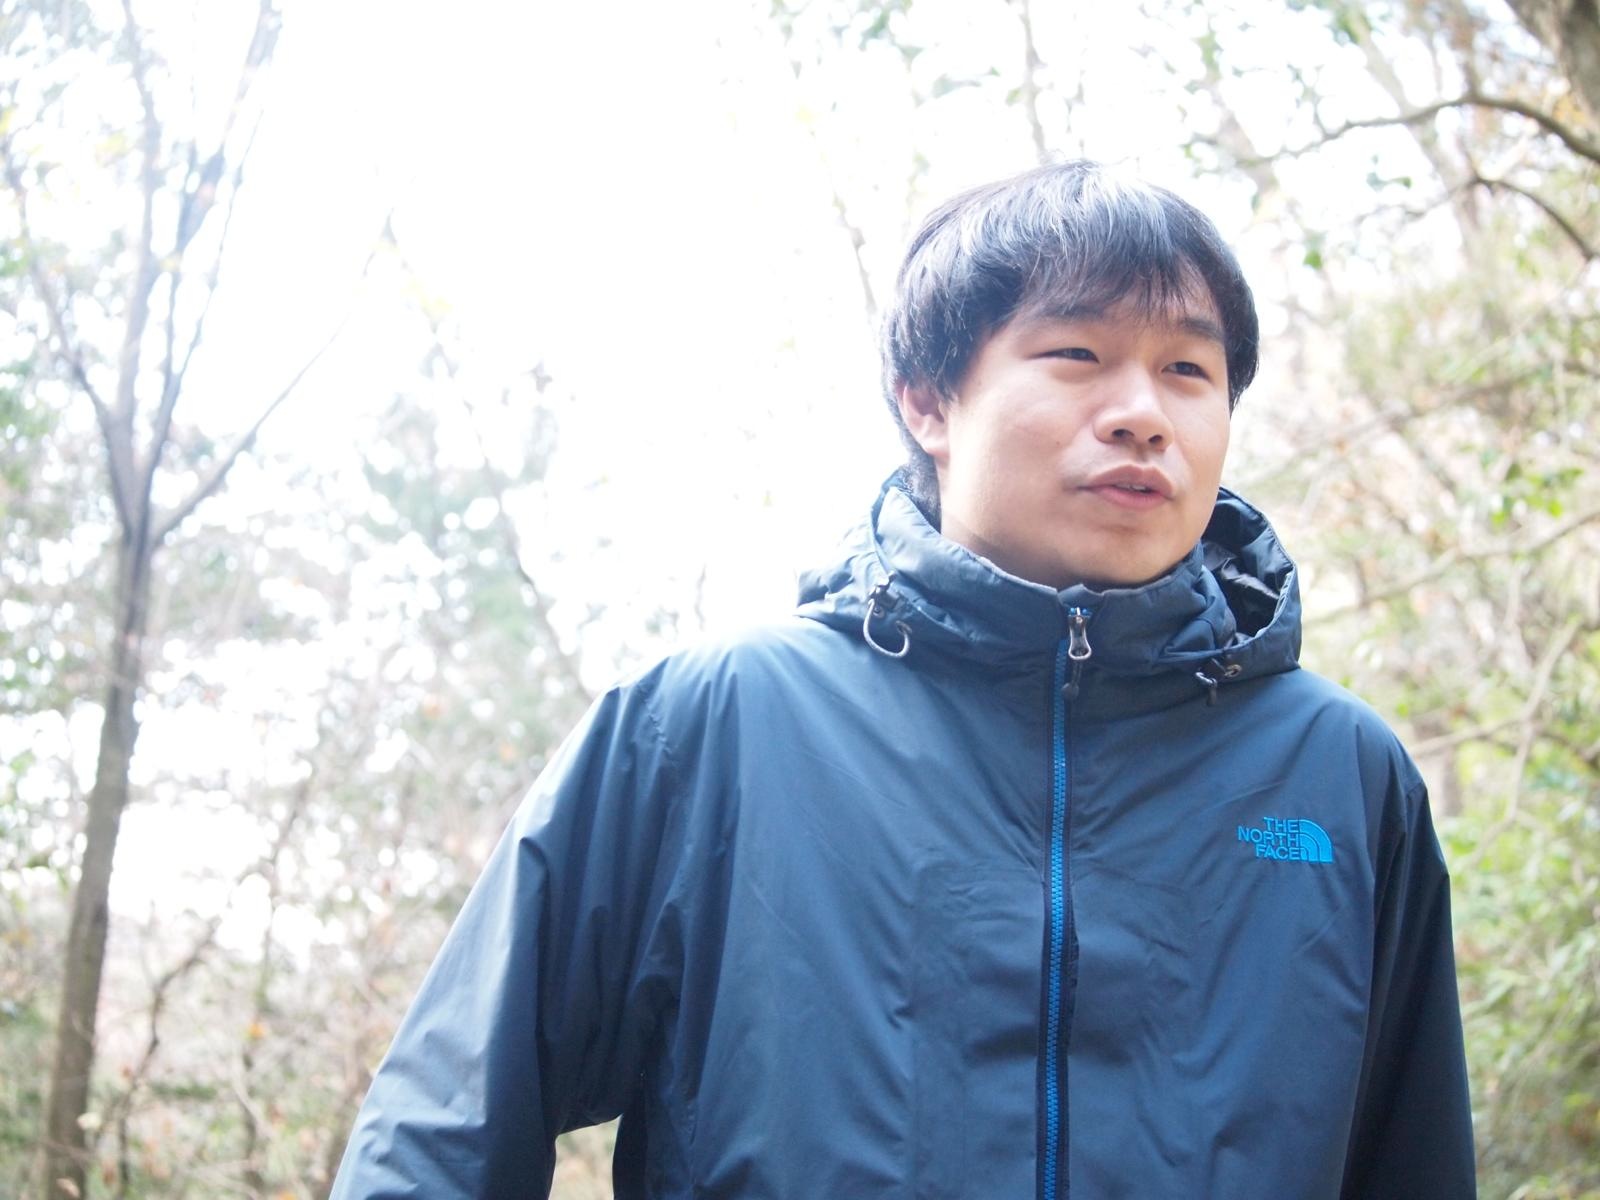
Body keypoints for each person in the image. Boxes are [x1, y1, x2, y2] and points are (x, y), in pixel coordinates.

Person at [330, 161, 1476, 1199]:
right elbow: (446, 1131)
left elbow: (1412, 1161)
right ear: (928, 401)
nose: (1140, 414)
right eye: (1076, 356)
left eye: (1188, 370)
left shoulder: (1337, 775)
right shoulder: (720, 726)